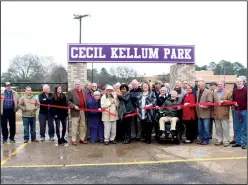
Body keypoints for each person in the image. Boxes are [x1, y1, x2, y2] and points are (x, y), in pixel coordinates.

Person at [68, 80, 88, 145]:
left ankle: (82, 139)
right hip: (75, 111)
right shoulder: (71, 92)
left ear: (81, 85)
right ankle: (73, 140)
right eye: (76, 84)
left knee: (83, 125)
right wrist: (73, 106)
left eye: (79, 84)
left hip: (83, 111)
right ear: (75, 85)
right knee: (74, 126)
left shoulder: (84, 91)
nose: (78, 85)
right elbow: (68, 101)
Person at [212, 81, 232, 147]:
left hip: (224, 113)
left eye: (221, 84)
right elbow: (212, 103)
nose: (219, 85)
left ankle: (226, 141)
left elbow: (231, 102)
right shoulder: (214, 93)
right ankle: (219, 140)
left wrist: (224, 101)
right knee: (218, 128)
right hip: (216, 113)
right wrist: (213, 112)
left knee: (225, 128)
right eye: (218, 84)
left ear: (224, 85)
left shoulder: (228, 93)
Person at [230, 76, 247, 144]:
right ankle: (238, 142)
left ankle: (244, 143)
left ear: (243, 82)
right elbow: (233, 99)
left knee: (244, 128)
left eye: (240, 81)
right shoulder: (235, 90)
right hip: (236, 111)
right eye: (237, 82)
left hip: (244, 111)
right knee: (237, 127)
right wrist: (234, 103)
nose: (239, 83)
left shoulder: (246, 90)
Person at [195, 80, 213, 145]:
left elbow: (210, 102)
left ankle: (206, 140)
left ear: (203, 85)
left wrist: (203, 106)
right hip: (199, 113)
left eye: (199, 85)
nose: (198, 86)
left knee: (206, 128)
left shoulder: (209, 92)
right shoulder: (197, 92)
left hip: (206, 113)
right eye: (198, 85)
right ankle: (201, 139)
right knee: (200, 128)